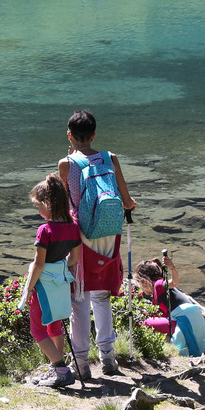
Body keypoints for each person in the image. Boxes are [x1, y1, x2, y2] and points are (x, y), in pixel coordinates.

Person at [58, 109, 136, 378]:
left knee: (79, 300)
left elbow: (66, 205)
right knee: (102, 296)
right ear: (94, 135)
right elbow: (126, 200)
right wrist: (128, 205)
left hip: (81, 237)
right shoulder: (110, 158)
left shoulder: (66, 164)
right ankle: (109, 359)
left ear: (69, 135)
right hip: (109, 233)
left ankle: (81, 364)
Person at [18, 174, 82, 388]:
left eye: (38, 207)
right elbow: (74, 258)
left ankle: (61, 370)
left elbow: (38, 263)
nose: (38, 212)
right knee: (55, 325)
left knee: (37, 330)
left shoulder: (45, 230)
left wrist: (28, 289)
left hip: (44, 286)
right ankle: (58, 367)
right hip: (61, 284)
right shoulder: (73, 227)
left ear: (47, 203)